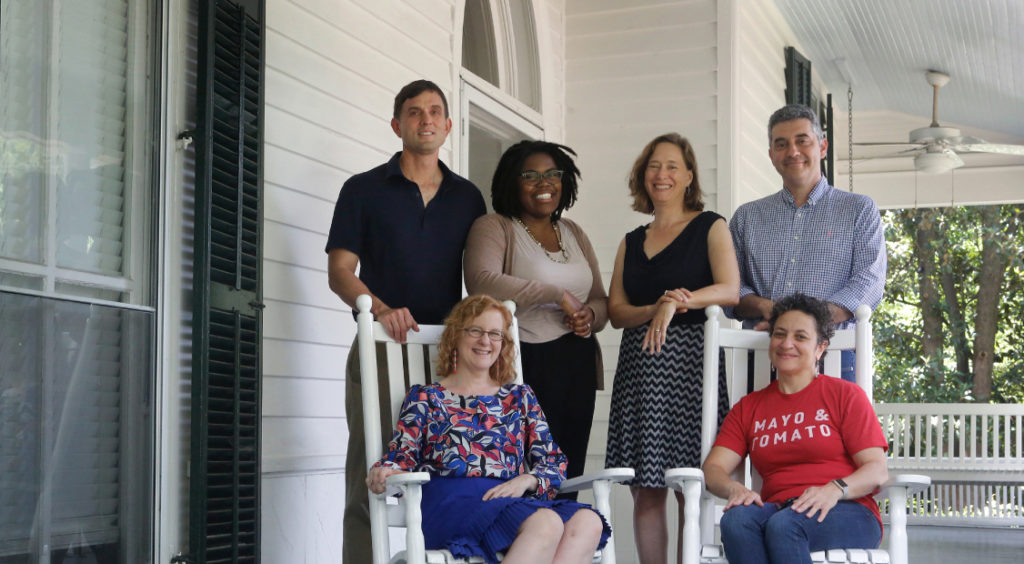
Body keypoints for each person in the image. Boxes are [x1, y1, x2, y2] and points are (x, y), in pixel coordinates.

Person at [325, 79, 486, 564]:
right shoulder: (363, 189)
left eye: (436, 111)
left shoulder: (469, 198)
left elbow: (478, 280)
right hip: (380, 347)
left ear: (449, 126)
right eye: (414, 112)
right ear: (398, 125)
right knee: (370, 471)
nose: (426, 119)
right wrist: (379, 308)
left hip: (446, 356)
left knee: (448, 471)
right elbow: (339, 272)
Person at [367, 295, 610, 563]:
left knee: (588, 522)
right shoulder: (426, 398)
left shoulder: (520, 398)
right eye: (476, 331)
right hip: (453, 502)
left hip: (512, 500)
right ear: (455, 336)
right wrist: (385, 470)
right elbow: (401, 456)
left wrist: (527, 480)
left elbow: (553, 461)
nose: (486, 341)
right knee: (546, 523)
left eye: (495, 334)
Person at [604, 133, 740, 564]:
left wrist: (677, 301)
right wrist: (654, 306)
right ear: (643, 176)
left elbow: (730, 289)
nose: (661, 175)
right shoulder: (632, 239)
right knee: (646, 490)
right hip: (640, 371)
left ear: (688, 176)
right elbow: (617, 311)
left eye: (672, 166)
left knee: (688, 486)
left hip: (689, 369)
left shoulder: (709, 225)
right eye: (653, 166)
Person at [464, 140, 607, 492]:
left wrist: (588, 315)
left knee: (568, 471)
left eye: (552, 175)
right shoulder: (495, 226)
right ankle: (532, 541)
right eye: (530, 176)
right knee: (527, 471)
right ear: (512, 182)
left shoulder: (573, 232)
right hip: (526, 361)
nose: (544, 184)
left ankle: (568, 544)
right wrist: (556, 295)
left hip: (578, 361)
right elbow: (481, 282)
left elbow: (601, 300)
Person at [702, 293, 889, 564]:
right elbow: (714, 468)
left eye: (800, 337)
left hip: (847, 508)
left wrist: (834, 488)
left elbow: (876, 469)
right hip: (780, 510)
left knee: (785, 526)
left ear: (819, 348)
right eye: (779, 334)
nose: (786, 343)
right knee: (737, 520)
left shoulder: (845, 395)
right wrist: (733, 489)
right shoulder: (749, 407)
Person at [729, 104, 886, 382]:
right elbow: (731, 286)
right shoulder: (746, 217)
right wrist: (769, 309)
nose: (792, 151)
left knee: (834, 428)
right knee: (756, 428)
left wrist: (801, 323)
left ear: (822, 147)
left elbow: (867, 283)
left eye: (802, 141)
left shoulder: (858, 210)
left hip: (835, 354)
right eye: (781, 144)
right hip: (763, 355)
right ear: (771, 155)